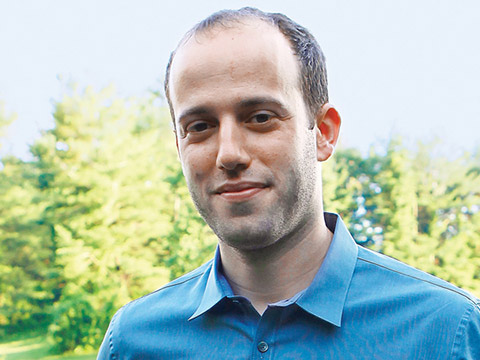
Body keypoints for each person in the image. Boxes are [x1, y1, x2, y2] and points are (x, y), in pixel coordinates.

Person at [97, 7, 480, 359]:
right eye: (199, 127)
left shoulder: (447, 331)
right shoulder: (132, 342)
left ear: (324, 133)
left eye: (260, 117)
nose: (228, 154)